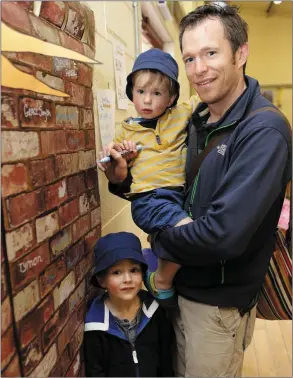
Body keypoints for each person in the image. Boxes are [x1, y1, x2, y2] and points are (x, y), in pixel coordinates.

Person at [103, 4, 291, 377]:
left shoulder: (263, 131)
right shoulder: (197, 118)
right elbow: (164, 180)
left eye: (211, 53)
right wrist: (121, 178)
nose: (199, 69)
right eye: (189, 58)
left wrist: (159, 243)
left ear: (241, 52)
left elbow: (223, 236)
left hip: (217, 305)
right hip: (181, 290)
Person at [97, 49, 198, 307]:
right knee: (189, 233)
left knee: (177, 237)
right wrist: (117, 157)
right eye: (141, 92)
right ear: (132, 92)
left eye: (157, 93)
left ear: (172, 96)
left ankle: (159, 267)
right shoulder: (126, 130)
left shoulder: (181, 115)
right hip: (148, 201)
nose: (147, 101)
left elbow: (203, 99)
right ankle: (161, 281)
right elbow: (112, 163)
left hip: (176, 197)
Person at [83, 231, 174, 377]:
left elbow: (166, 362)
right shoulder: (96, 326)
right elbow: (95, 371)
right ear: (102, 280)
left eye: (133, 270)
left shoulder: (155, 312)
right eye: (116, 272)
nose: (127, 279)